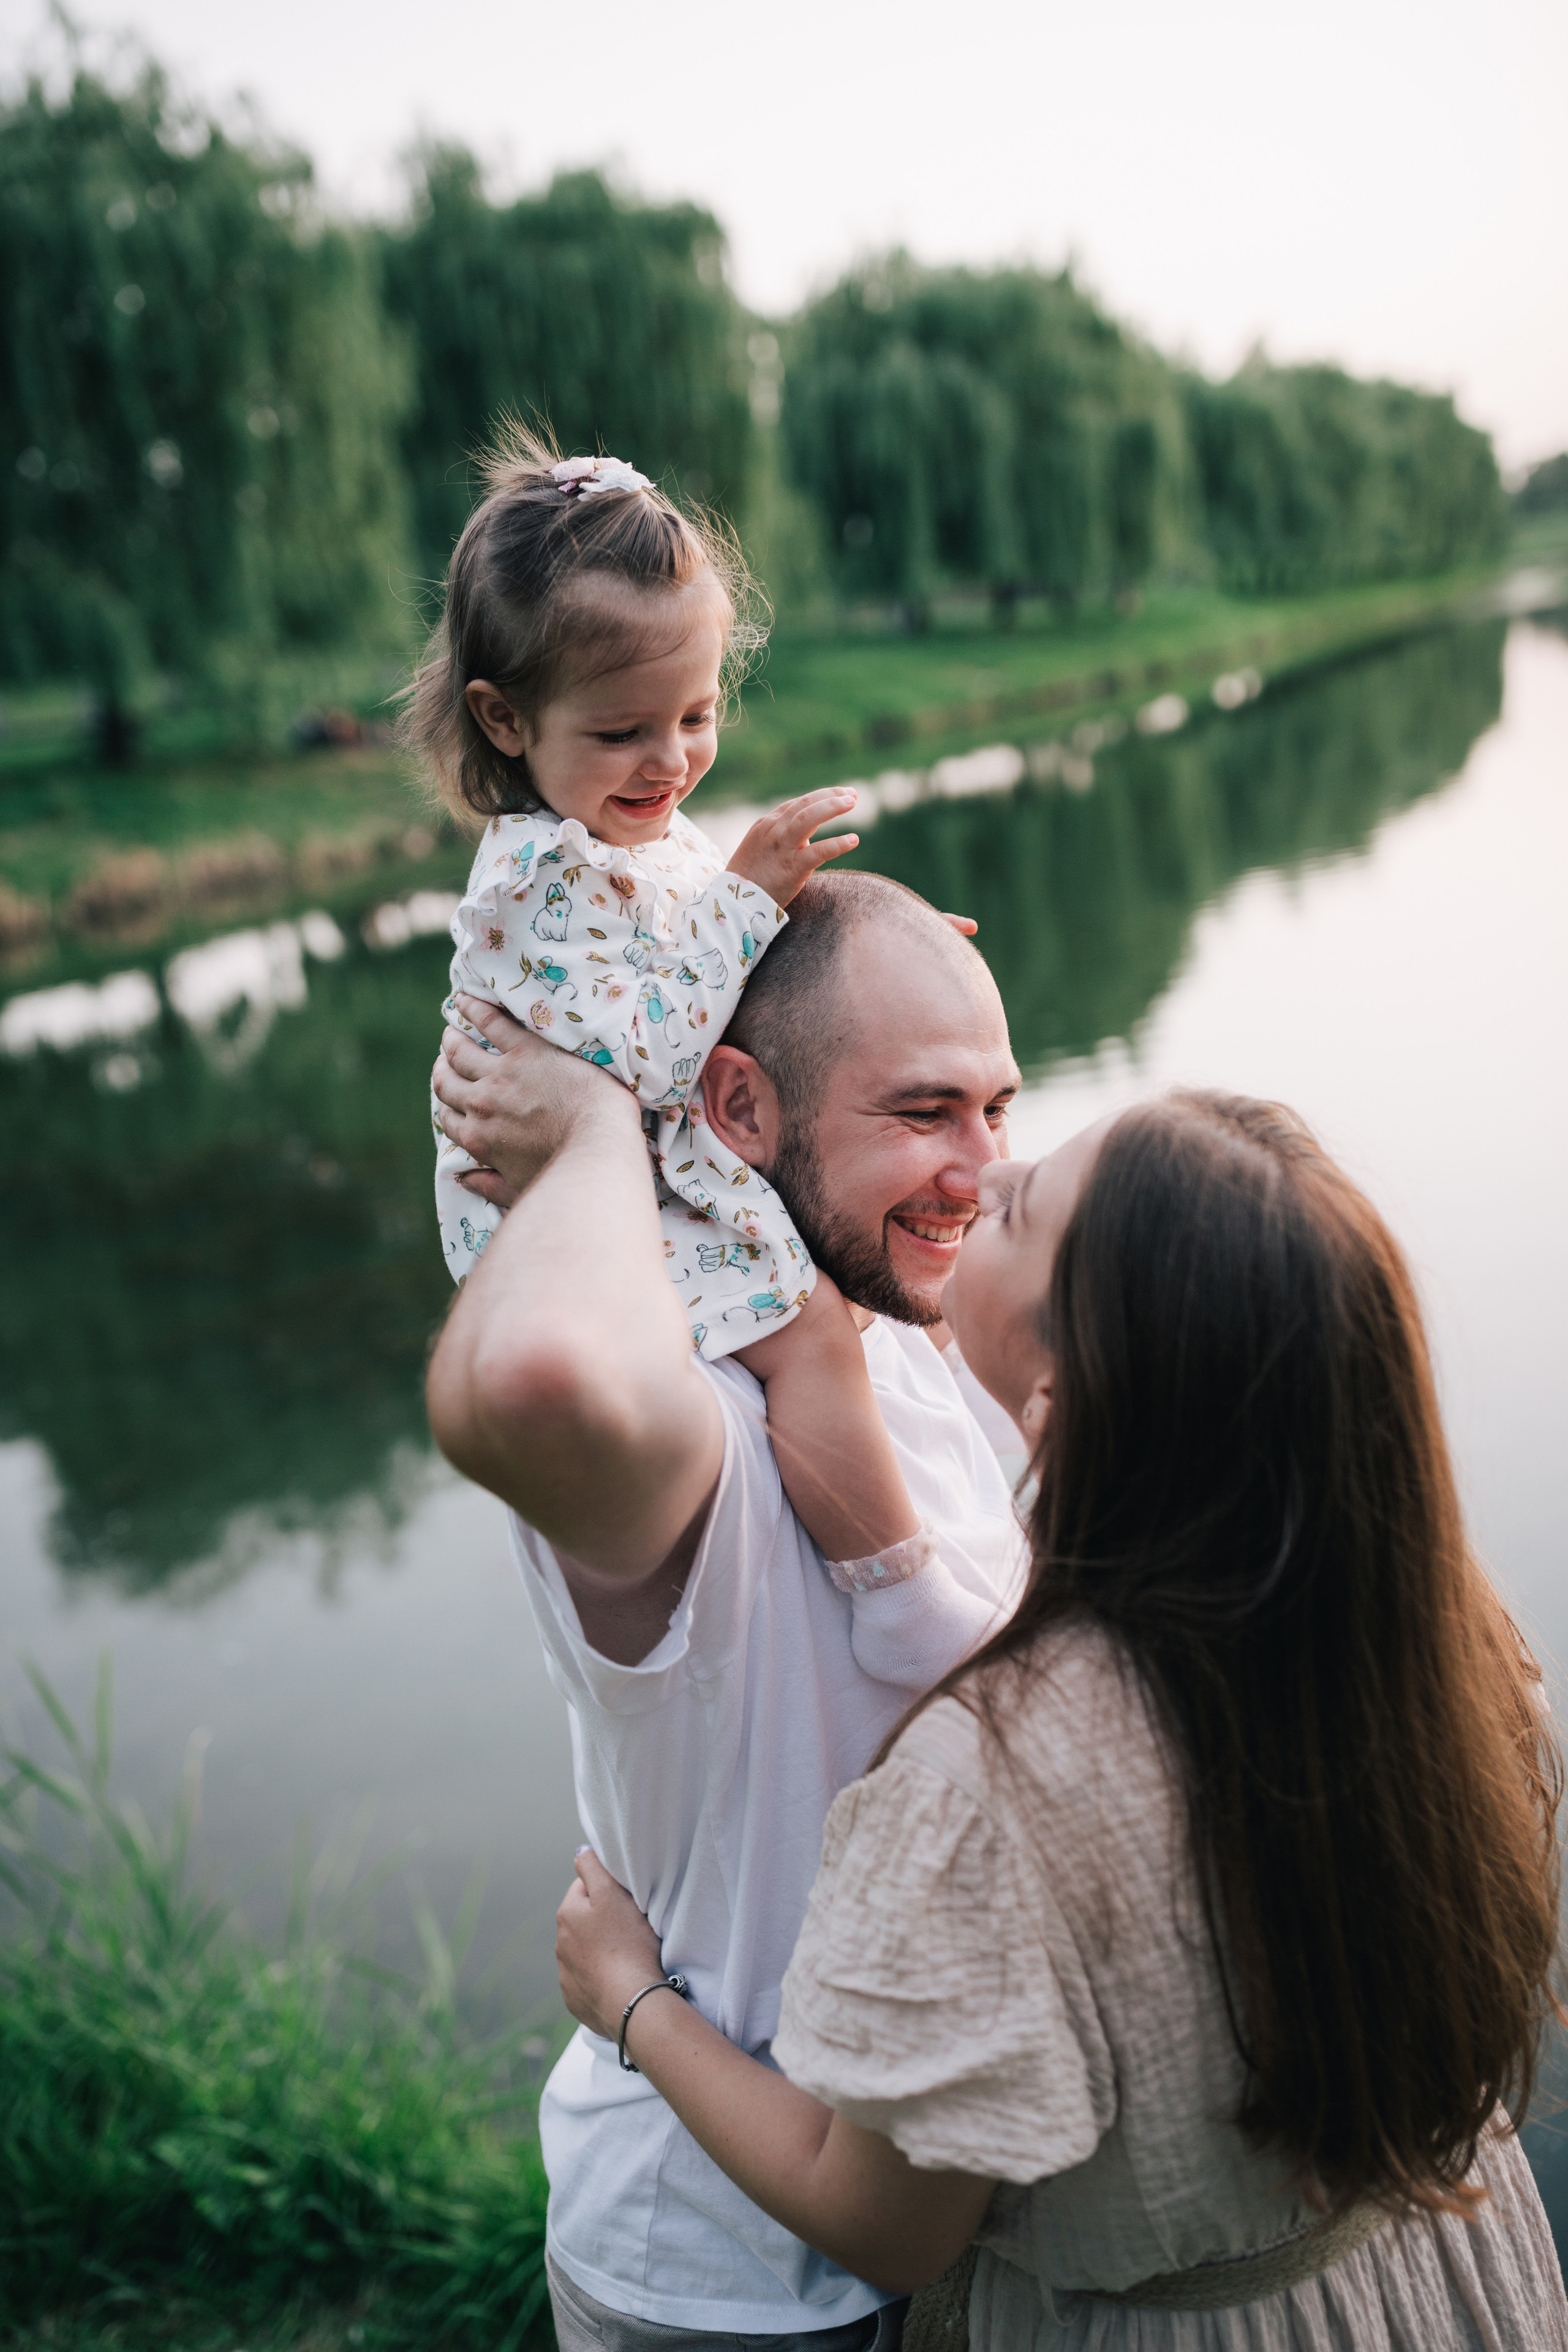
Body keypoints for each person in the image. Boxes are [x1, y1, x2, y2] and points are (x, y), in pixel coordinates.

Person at [555, 1091, 1568, 2351]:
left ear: (1060, 1408)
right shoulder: (1452, 1645)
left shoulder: (982, 1793)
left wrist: (633, 2000)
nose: (987, 1168)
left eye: (1020, 1206)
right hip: (1440, 2281)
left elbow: (881, 2225)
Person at [426, 870, 1027, 2346]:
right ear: (739, 1114)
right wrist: (587, 1138)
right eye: (921, 1111)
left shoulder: (904, 1331)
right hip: (728, 2286)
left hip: (946, 2238)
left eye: (996, 1108)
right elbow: (528, 1383)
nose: (980, 1169)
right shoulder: (699, 1434)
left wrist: (829, 961)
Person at [410, 427, 996, 1683]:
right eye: (623, 730)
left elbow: (719, 968)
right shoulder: (539, 880)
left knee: (850, 1314)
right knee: (804, 1332)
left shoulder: (626, 834)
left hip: (666, 1159)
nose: (669, 761)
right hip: (595, 1213)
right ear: (503, 719)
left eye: (696, 713)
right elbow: (640, 1062)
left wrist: (866, 958)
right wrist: (743, 905)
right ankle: (893, 1591)